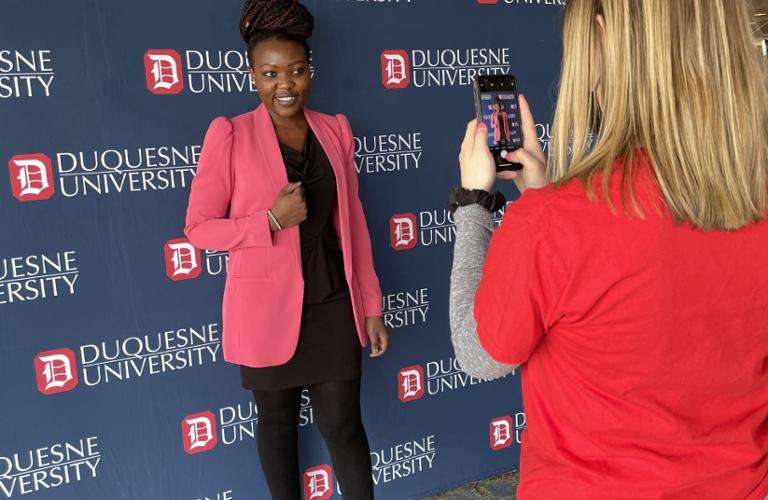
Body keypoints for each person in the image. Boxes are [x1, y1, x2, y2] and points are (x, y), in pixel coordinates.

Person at [449, 0, 768, 498]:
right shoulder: (756, 201)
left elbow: (480, 353)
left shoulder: (553, 224)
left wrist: (473, 203)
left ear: (603, 39)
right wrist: (542, 193)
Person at [184, 1, 389, 498]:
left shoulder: (335, 129)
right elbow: (198, 229)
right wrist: (269, 221)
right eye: (271, 73)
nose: (286, 85)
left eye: (296, 70)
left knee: (343, 424)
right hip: (263, 308)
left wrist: (372, 306)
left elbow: (354, 225)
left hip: (333, 298)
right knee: (276, 425)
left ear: (309, 70)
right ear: (253, 74)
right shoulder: (229, 134)